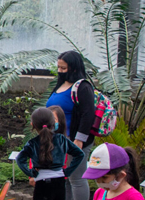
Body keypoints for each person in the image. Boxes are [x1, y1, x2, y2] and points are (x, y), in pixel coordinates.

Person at [45, 50, 97, 200]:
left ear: (73, 68)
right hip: (59, 141)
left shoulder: (82, 87)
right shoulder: (60, 84)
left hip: (74, 141)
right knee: (65, 178)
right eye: (59, 68)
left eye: (63, 68)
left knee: (77, 179)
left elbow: (88, 114)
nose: (60, 71)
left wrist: (79, 140)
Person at [17, 108, 85, 200]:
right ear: (53, 123)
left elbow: (20, 159)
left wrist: (30, 172)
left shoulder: (32, 143)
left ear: (32, 125)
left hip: (41, 182)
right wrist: (68, 171)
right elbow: (79, 154)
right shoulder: (62, 139)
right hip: (59, 181)